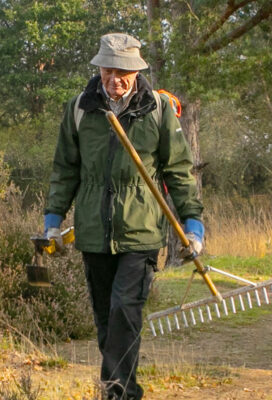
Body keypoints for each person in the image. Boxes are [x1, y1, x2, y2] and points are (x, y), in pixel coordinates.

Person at [43, 33, 204, 400]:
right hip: (93, 231)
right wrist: (53, 217)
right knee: (106, 319)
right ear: (98, 68)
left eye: (123, 72)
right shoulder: (80, 108)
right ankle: (119, 387)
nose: (114, 80)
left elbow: (179, 170)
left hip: (141, 233)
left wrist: (193, 224)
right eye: (108, 70)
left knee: (124, 312)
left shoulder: (158, 110)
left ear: (136, 72)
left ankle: (119, 394)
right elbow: (65, 169)